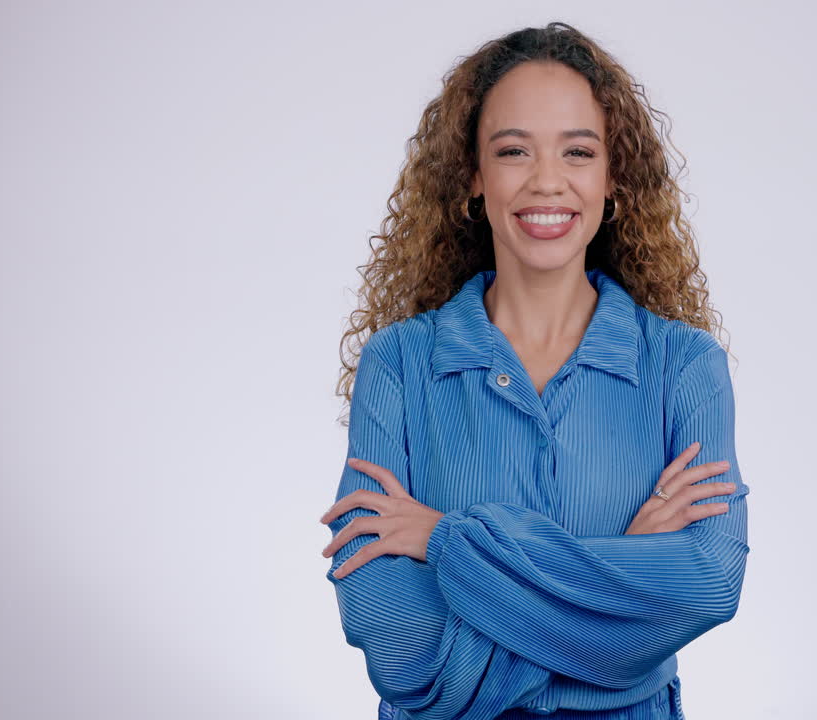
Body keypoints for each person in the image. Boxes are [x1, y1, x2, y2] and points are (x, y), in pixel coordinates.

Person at [319, 22, 750, 720]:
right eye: (514, 150)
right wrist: (619, 577)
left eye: (578, 151)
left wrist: (443, 540)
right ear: (473, 176)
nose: (548, 180)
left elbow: (707, 587)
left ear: (615, 179)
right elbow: (396, 644)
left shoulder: (686, 368)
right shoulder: (397, 365)